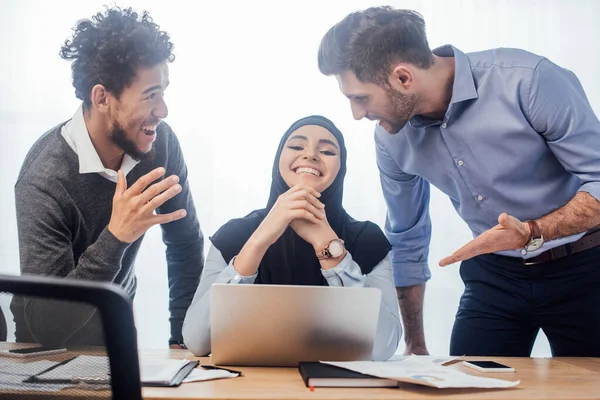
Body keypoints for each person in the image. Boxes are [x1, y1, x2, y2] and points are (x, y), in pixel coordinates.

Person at [317, 6, 600, 357]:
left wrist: (532, 231)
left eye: (360, 98)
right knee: (466, 386)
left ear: (403, 78)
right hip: (494, 274)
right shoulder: (392, 138)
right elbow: (407, 236)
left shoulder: (529, 80)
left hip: (586, 265)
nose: (358, 115)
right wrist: (415, 342)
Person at [11, 7, 204, 349]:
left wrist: (182, 343)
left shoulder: (160, 146)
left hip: (116, 340)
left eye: (163, 92)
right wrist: (116, 236)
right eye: (150, 95)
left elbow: (185, 244)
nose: (163, 111)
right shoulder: (46, 179)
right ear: (102, 98)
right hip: (44, 357)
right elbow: (46, 325)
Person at [182, 115, 401, 360]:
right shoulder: (235, 235)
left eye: (327, 151)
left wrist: (328, 245)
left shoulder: (367, 239)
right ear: (278, 160)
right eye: (297, 146)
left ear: (342, 168)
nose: (310, 155)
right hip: (248, 387)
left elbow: (383, 347)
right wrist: (259, 240)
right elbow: (196, 340)